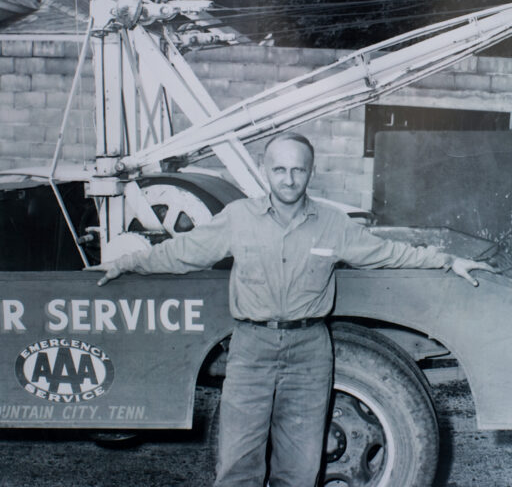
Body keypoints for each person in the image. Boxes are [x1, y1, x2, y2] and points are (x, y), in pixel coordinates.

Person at [88, 132, 494, 487]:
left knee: (299, 468)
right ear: (266, 171)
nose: (288, 178)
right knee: (237, 466)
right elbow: (182, 253)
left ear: (310, 173)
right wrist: (126, 263)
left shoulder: (332, 224)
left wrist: (447, 261)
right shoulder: (239, 218)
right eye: (280, 169)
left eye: (298, 170)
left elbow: (387, 252)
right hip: (251, 349)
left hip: (309, 352)